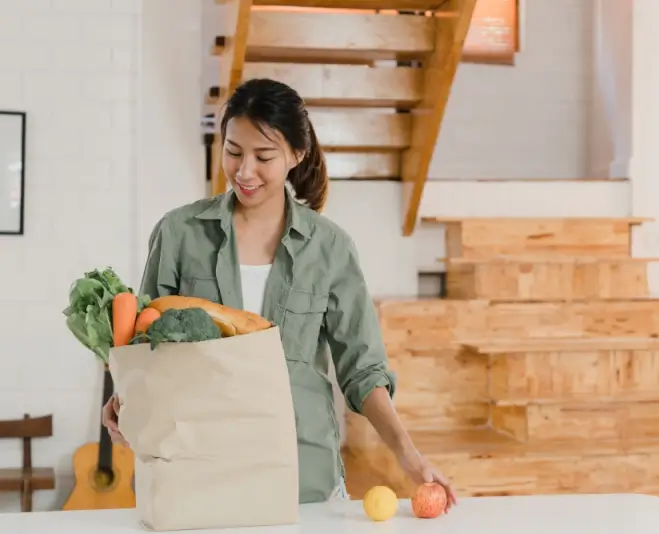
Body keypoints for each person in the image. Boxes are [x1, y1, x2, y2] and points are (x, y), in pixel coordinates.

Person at [101, 77, 456, 509]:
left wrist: (408, 454)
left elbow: (362, 369)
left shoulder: (330, 248)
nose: (244, 171)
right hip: (196, 468)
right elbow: (144, 342)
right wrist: (125, 401)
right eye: (233, 152)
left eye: (263, 156)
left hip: (302, 473)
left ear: (296, 154)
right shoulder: (179, 233)